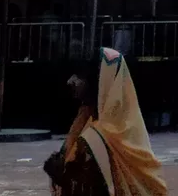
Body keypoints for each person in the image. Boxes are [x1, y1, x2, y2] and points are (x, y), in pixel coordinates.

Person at [44, 48, 168, 196]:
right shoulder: (90, 121)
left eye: (79, 75)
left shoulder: (96, 137)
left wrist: (61, 172)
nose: (70, 81)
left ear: (99, 82)